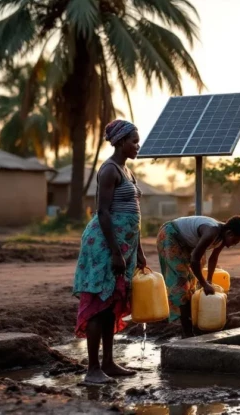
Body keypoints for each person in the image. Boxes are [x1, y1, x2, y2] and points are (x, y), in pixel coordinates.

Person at [73, 119, 146, 385]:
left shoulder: (128, 171)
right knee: (97, 305)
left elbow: (134, 215)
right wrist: (116, 252)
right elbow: (103, 212)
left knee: (111, 304)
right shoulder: (109, 171)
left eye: (137, 141)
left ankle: (108, 363)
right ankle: (92, 369)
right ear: (120, 142)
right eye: (134, 141)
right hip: (104, 246)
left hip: (124, 248)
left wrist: (138, 250)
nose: (137, 146)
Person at [157, 215, 240, 337]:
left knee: (192, 283)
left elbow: (213, 258)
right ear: (229, 233)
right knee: (182, 282)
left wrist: (209, 280)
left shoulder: (222, 236)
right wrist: (204, 283)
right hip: (171, 235)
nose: (233, 245)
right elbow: (195, 259)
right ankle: (187, 332)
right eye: (235, 241)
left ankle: (191, 325)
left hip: (185, 243)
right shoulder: (212, 231)